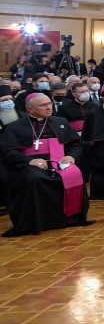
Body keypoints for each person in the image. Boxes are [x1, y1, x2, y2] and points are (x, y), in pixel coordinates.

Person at [0, 92, 92, 236]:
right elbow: (7, 151)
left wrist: (71, 156)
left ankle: (70, 219)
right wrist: (29, 161)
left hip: (59, 161)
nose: (49, 108)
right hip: (29, 164)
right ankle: (37, 222)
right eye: (43, 105)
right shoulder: (14, 127)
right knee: (34, 178)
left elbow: (75, 145)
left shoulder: (60, 122)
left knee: (74, 173)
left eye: (49, 103)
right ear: (30, 109)